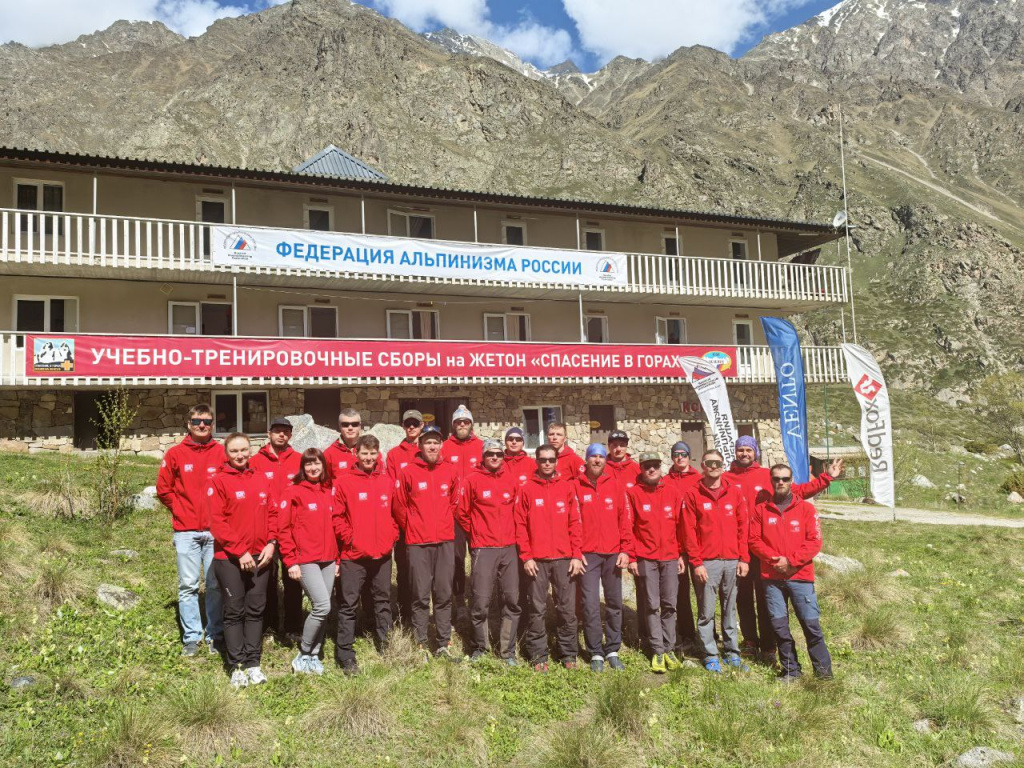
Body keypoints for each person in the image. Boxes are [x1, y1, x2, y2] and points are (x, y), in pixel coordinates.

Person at [725, 436, 839, 663]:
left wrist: (826, 478)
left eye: (749, 450)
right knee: (743, 597)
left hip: (766, 549)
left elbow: (799, 491)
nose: (744, 454)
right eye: (741, 450)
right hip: (739, 550)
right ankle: (750, 641)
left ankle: (769, 646)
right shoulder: (727, 478)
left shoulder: (769, 476)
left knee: (767, 599)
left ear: (755, 452)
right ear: (735, 453)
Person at [749, 464, 833, 681]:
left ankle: (823, 675)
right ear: (771, 481)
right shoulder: (761, 510)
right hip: (772, 578)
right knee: (779, 627)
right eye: (776, 479)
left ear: (791, 481)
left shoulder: (806, 509)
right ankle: (791, 671)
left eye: (785, 479)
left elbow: (814, 541)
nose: (781, 483)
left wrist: (792, 562)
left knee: (811, 625)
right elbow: (754, 540)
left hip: (800, 577)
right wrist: (775, 560)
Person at [207, 433, 278, 688]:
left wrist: (272, 542)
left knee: (256, 610)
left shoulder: (261, 478)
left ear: (251, 451)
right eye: (234, 451)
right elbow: (217, 522)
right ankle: (236, 665)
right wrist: (240, 551)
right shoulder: (219, 481)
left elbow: (273, 513)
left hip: (261, 556)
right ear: (227, 454)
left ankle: (253, 662)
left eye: (244, 450)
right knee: (234, 611)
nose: (240, 455)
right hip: (229, 558)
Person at [156, 403, 226, 657]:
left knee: (215, 584)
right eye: (197, 422)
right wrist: (181, 511)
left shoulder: (221, 452)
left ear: (212, 424)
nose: (202, 426)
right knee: (188, 586)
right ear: (189, 424)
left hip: (215, 532)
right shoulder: (175, 453)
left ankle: (215, 635)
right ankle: (192, 638)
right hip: (186, 531)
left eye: (207, 421)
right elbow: (163, 489)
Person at [393, 425, 462, 660]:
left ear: (441, 445)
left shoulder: (451, 471)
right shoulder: (408, 472)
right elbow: (399, 506)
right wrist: (414, 526)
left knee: (443, 593)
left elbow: (455, 503)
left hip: (444, 541)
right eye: (428, 442)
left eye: (436, 442)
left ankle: (443, 642)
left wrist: (443, 523)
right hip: (417, 543)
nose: (432, 446)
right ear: (420, 446)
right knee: (420, 595)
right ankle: (421, 643)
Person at [514, 443, 584, 672]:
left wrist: (576, 555)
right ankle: (538, 654)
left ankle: (568, 652)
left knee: (566, 608)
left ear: (556, 462)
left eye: (551, 460)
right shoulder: (526, 489)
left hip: (564, 559)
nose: (547, 463)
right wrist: (526, 556)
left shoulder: (567, 487)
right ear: (537, 461)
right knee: (537, 608)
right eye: (543, 459)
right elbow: (520, 526)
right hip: (537, 560)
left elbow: (575, 523)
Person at [334, 435, 398, 675]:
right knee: (349, 605)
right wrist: (350, 538)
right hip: (353, 555)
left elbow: (396, 513)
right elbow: (337, 516)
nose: (369, 458)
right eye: (364, 453)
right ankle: (346, 654)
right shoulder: (344, 482)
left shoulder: (387, 481)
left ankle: (386, 644)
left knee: (382, 601)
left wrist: (391, 535)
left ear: (378, 454)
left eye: (373, 453)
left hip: (381, 554)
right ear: (356, 454)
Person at [683, 449, 750, 674]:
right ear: (702, 466)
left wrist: (744, 558)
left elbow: (743, 527)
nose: (713, 467)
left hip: (732, 560)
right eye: (709, 463)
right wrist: (697, 562)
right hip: (707, 562)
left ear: (723, 466)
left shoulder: (735, 493)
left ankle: (732, 652)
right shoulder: (693, 494)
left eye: (717, 463)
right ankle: (710, 653)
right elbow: (689, 532)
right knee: (706, 610)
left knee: (730, 609)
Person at [457, 439, 521, 664]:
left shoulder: (511, 480)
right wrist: (476, 535)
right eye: (490, 454)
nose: (495, 457)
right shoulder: (471, 480)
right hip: (484, 548)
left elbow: (519, 512)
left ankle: (507, 651)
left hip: (509, 548)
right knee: (480, 601)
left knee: (512, 600)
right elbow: (462, 513)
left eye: (499, 454)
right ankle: (481, 648)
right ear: (483, 456)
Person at [278, 447, 338, 676]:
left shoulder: (330, 490)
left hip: (329, 558)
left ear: (324, 465)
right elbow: (283, 529)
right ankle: (303, 653)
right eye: (308, 464)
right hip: (306, 559)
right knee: (323, 606)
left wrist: (339, 559)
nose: (313, 468)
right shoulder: (293, 492)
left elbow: (337, 526)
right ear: (303, 468)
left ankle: (315, 654)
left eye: (317, 463)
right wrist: (291, 561)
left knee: (323, 608)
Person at [626, 451, 686, 674]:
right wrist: (632, 557)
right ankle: (657, 650)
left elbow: (681, 527)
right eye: (646, 466)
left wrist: (681, 555)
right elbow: (629, 528)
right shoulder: (633, 494)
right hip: (646, 558)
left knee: (669, 605)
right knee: (651, 605)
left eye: (654, 465)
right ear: (640, 469)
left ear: (660, 467)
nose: (651, 469)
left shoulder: (673, 492)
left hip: (670, 557)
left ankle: (669, 648)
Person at [574, 443, 632, 672]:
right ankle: (595, 651)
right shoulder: (575, 486)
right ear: (586, 460)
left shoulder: (616, 486)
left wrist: (625, 549)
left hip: (612, 554)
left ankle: (613, 649)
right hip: (587, 555)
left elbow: (624, 519)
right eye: (593, 457)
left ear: (605, 460)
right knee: (589, 604)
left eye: (600, 457)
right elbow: (572, 522)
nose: (597, 460)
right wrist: (576, 552)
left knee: (614, 602)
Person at [249, 417, 304, 642]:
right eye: (278, 431)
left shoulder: (300, 460)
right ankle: (269, 625)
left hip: (292, 530)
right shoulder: (255, 461)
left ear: (290, 435)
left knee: (293, 581)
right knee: (266, 580)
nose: (282, 435)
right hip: (266, 530)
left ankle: (293, 627)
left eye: (286, 432)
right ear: (269, 433)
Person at [442, 404, 484, 615]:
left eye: (466, 421)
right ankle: (459, 599)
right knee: (457, 558)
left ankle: (479, 597)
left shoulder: (482, 446)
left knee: (479, 557)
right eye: (458, 422)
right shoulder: (444, 447)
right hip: (455, 514)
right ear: (453, 424)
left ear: (471, 424)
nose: (462, 425)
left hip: (478, 513)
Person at [663, 441, 702, 656]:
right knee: (680, 593)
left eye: (684, 454)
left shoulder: (699, 480)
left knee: (704, 592)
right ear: (672, 457)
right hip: (675, 545)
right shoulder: (665, 481)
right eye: (676, 454)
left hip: (698, 543)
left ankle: (707, 634)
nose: (680, 458)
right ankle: (685, 633)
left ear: (689, 457)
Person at [388, 409, 425, 629]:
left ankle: (422, 612)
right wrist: (405, 521)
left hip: (426, 523)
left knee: (424, 571)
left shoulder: (429, 450)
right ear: (403, 426)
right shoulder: (394, 454)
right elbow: (395, 492)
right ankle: (404, 614)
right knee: (403, 568)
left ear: (422, 426)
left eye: (415, 424)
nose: (412, 427)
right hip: (404, 523)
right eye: (408, 424)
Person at [324, 408, 362, 479]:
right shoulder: (329, 454)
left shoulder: (370, 451)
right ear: (339, 426)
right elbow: (325, 484)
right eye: (345, 424)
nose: (350, 428)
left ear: (360, 426)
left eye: (354, 424)